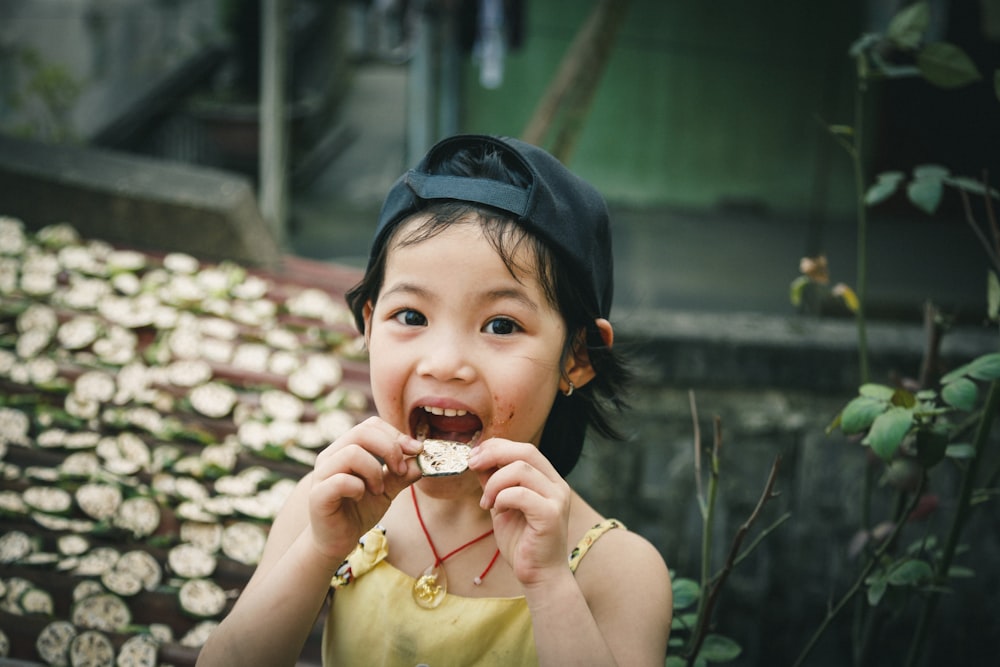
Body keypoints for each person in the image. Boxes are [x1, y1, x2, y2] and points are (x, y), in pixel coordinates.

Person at [197, 134, 672, 666]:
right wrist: (320, 550)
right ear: (370, 326)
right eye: (412, 317)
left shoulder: (619, 572)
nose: (444, 362)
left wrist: (548, 583)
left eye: (500, 324)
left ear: (576, 358)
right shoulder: (330, 507)